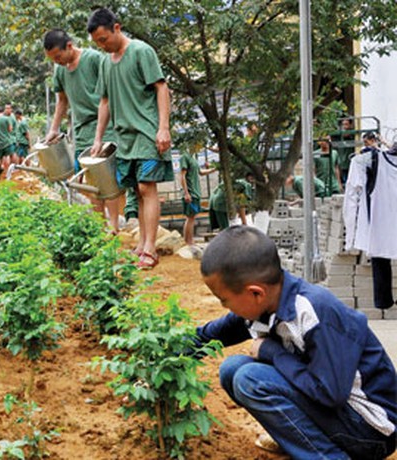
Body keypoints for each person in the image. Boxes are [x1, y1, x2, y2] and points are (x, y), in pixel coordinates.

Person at [196, 226, 396, 458]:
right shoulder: (265, 303)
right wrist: (165, 351)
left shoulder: (314, 313)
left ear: (256, 293)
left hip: (370, 429)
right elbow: (210, 335)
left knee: (250, 379)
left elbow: (330, 394)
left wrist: (271, 351)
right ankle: (295, 437)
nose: (225, 308)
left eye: (224, 301)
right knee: (232, 370)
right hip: (340, 414)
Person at [88, 8, 174, 267]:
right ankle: (141, 244)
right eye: (97, 43)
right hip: (124, 137)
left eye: (104, 39)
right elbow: (104, 101)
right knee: (135, 189)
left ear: (117, 27)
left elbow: (161, 88)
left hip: (148, 133)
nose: (102, 46)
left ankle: (150, 247)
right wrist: (98, 138)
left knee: (147, 186)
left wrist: (164, 127)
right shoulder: (105, 62)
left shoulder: (141, 51)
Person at [43, 28, 121, 234]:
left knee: (107, 177)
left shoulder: (94, 59)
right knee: (91, 180)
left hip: (105, 123)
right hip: (81, 129)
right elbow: (62, 101)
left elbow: (109, 93)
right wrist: (54, 129)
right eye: (53, 59)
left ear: (69, 46)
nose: (57, 62)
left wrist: (102, 132)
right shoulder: (60, 70)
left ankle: (114, 225)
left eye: (59, 56)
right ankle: (100, 226)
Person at [179, 144, 215, 249]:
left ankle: (190, 240)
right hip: (190, 193)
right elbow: (182, 175)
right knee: (190, 217)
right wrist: (186, 193)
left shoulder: (193, 158)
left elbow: (201, 172)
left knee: (193, 217)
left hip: (196, 192)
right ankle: (188, 241)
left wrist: (214, 169)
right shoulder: (185, 157)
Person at [0, 104, 16, 179]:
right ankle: (6, 173)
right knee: (7, 156)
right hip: (7, 141)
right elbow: (10, 129)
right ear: (3, 111)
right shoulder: (6, 119)